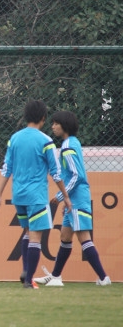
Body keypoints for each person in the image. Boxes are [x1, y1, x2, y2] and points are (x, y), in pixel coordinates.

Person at [0, 100, 72, 289]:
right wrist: (65, 196)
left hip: (18, 195)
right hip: (36, 196)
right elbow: (56, 172)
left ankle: (26, 270)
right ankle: (28, 280)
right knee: (35, 236)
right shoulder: (46, 141)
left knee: (27, 232)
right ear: (43, 118)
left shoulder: (15, 139)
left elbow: (7, 168)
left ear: (25, 117)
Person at [33, 111, 111, 286]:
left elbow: (77, 176)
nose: (52, 127)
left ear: (64, 125)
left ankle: (103, 277)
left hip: (77, 199)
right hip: (73, 200)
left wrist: (62, 196)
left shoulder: (68, 147)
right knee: (65, 236)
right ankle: (55, 276)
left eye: (55, 123)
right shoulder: (71, 143)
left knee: (83, 238)